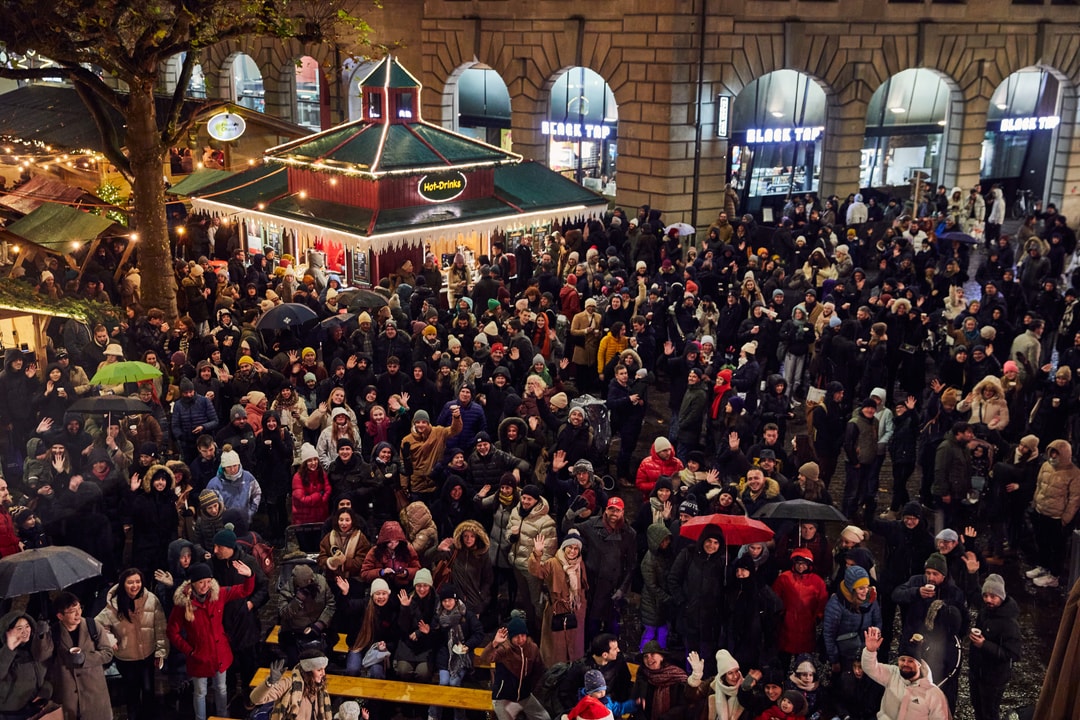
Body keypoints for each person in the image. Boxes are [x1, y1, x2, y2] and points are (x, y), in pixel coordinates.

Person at [166, 561, 255, 720]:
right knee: (200, 692)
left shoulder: (219, 594)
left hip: (220, 652)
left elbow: (243, 591)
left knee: (221, 688)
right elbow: (172, 632)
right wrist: (189, 650)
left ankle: (222, 716)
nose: (205, 586)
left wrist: (249, 576)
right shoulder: (182, 604)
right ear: (193, 583)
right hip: (199, 657)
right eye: (201, 582)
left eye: (208, 581)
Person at [94, 569, 168, 720]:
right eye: (130, 582)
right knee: (131, 694)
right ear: (123, 584)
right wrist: (110, 639)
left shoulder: (151, 599)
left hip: (147, 654)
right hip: (126, 657)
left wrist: (161, 651)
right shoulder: (114, 604)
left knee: (148, 691)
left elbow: (161, 626)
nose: (135, 585)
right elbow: (98, 624)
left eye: (138, 581)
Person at [33, 592, 115, 720]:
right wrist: (41, 635)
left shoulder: (92, 626)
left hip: (94, 692)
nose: (78, 614)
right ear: (60, 616)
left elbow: (107, 653)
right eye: (72, 611)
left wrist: (85, 658)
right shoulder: (54, 632)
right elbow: (42, 657)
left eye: (79, 608)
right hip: (67, 694)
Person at [860, 628, 950, 720]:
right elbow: (870, 668)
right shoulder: (893, 674)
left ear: (919, 664)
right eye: (902, 660)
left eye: (911, 661)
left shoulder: (933, 694)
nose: (905, 664)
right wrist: (870, 651)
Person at [528, 529, 588, 665]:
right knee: (556, 648)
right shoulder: (553, 563)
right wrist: (537, 554)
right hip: (557, 611)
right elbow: (536, 571)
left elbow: (582, 589)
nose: (572, 551)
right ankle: (554, 673)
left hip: (575, 612)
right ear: (564, 547)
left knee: (574, 647)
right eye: (569, 547)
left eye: (575, 548)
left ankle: (572, 669)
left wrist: (581, 608)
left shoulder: (580, 565)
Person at [968, 574, 1022, 720]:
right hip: (977, 673)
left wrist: (984, 644)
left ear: (1001, 596)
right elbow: (972, 592)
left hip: (994, 678)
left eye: (993, 596)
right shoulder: (985, 611)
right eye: (985, 595)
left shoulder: (1010, 623)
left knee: (990, 713)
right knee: (978, 708)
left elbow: (1013, 654)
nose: (988, 600)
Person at [478, 616, 550, 720]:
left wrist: (532, 689)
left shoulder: (533, 648)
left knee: (545, 717)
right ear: (511, 637)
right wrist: (495, 643)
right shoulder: (504, 649)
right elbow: (485, 658)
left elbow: (539, 670)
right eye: (516, 636)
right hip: (503, 697)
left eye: (523, 635)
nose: (520, 639)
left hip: (525, 696)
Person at [248, 650, 334, 720]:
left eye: (324, 669)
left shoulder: (320, 689)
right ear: (308, 671)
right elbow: (255, 699)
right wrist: (269, 683)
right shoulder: (288, 684)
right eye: (319, 670)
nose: (323, 673)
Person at [0, 610, 53, 719]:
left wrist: (45, 692)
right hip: (11, 714)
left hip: (35, 708)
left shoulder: (35, 648)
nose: (25, 631)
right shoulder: (4, 651)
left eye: (27, 626)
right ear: (8, 631)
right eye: (19, 628)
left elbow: (49, 672)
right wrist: (9, 648)